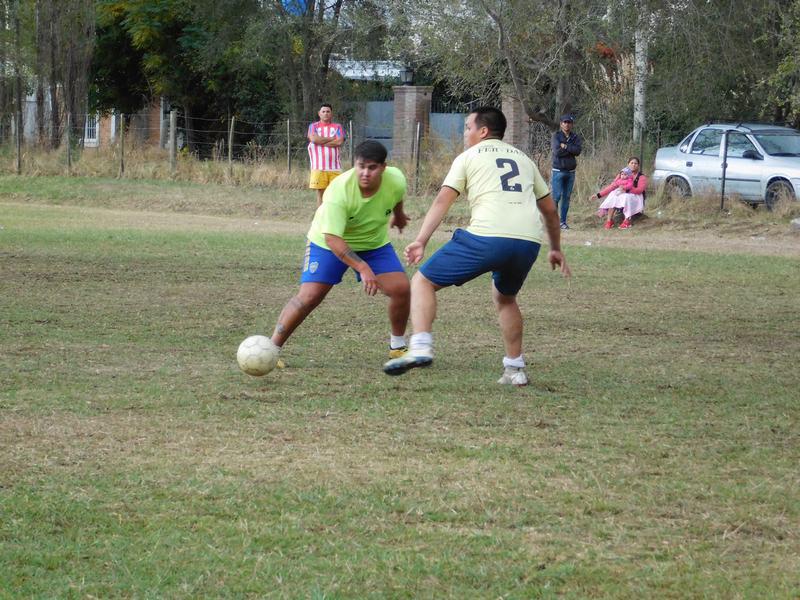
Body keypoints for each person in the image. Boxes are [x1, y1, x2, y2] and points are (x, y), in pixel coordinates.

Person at [383, 106, 571, 386]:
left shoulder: (468, 156)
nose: (464, 133)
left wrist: (421, 239)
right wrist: (555, 247)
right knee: (505, 298)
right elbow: (550, 210)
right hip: (528, 242)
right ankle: (515, 369)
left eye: (467, 127)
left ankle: (420, 346)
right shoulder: (523, 158)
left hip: (487, 237)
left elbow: (442, 201)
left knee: (422, 281)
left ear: (483, 131)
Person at [271, 140, 411, 362]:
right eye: (361, 166)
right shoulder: (339, 190)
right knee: (309, 297)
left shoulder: (396, 179)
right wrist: (362, 267)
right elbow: (332, 238)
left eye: (372, 167)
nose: (365, 173)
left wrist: (399, 214)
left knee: (402, 289)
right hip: (327, 243)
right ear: (354, 164)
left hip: (373, 244)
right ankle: (271, 349)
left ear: (383, 168)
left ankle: (398, 346)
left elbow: (396, 195)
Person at [594, 156, 648, 229]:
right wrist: (598, 195)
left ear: (638, 165)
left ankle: (627, 221)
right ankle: (609, 221)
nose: (633, 165)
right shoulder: (622, 174)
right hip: (622, 194)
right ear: (628, 164)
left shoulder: (641, 177)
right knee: (613, 195)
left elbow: (640, 190)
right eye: (631, 163)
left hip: (636, 196)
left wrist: (627, 190)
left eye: (635, 163)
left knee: (626, 197)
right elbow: (612, 186)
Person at [307, 103, 346, 206]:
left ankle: (333, 216)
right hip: (318, 167)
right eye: (323, 111)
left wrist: (321, 142)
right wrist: (332, 138)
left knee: (336, 194)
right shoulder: (313, 126)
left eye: (328, 111)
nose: (325, 113)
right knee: (321, 194)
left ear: (331, 113)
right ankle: (321, 217)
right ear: (319, 113)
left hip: (335, 168)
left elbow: (339, 142)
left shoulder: (337, 127)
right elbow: (314, 139)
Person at [551, 114, 582, 230]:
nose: (567, 124)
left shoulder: (575, 137)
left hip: (571, 171)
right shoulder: (556, 136)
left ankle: (562, 222)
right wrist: (570, 149)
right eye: (564, 122)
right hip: (558, 170)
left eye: (569, 122)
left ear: (572, 124)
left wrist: (565, 146)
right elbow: (557, 152)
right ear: (561, 124)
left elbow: (577, 151)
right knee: (556, 197)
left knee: (566, 197)